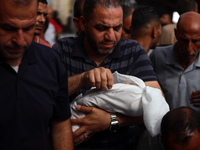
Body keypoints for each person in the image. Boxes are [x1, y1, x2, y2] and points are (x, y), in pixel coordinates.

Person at [53, 0, 163, 149]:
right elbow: (47, 95)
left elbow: (157, 104)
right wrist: (83, 79)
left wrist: (111, 120)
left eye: (117, 28)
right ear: (82, 23)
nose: (110, 36)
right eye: (102, 28)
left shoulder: (133, 51)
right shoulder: (63, 49)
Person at [0, 0, 73, 149]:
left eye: (28, 28)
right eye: (8, 28)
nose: (19, 41)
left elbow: (60, 126)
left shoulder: (50, 61)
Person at [150, 11, 200, 113]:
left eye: (195, 41)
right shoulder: (157, 57)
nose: (189, 48)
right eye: (184, 40)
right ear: (176, 34)